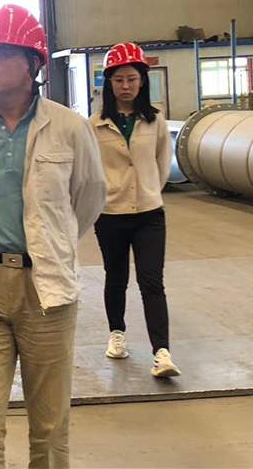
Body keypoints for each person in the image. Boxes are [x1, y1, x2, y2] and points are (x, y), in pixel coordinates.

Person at [0, 4, 106, 469]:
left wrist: (49, 242)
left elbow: (88, 197)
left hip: (47, 292)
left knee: (50, 423)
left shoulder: (69, 127)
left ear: (32, 64)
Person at [89, 43, 179, 379]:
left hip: (149, 214)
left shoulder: (155, 121)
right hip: (110, 215)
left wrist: (148, 191)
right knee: (116, 279)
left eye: (132, 79)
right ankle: (117, 334)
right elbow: (90, 170)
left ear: (142, 81)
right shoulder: (94, 124)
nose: (126, 86)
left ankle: (162, 352)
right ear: (108, 84)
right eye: (119, 80)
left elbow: (161, 164)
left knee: (152, 281)